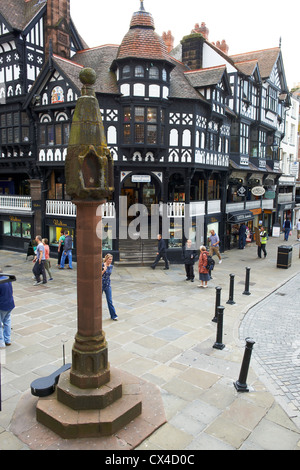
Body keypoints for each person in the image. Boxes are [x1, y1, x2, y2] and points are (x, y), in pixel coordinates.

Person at [0, 269, 15, 348]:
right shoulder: (7, 279)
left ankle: (1, 343)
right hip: (10, 304)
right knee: (7, 322)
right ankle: (7, 340)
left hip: (2, 306)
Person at [102, 254, 118, 321]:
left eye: (111, 259)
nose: (110, 261)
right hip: (101, 284)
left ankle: (113, 315)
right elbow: (98, 275)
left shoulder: (111, 266)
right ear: (106, 259)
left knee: (110, 301)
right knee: (97, 301)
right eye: (109, 259)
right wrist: (104, 270)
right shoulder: (102, 265)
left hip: (108, 285)